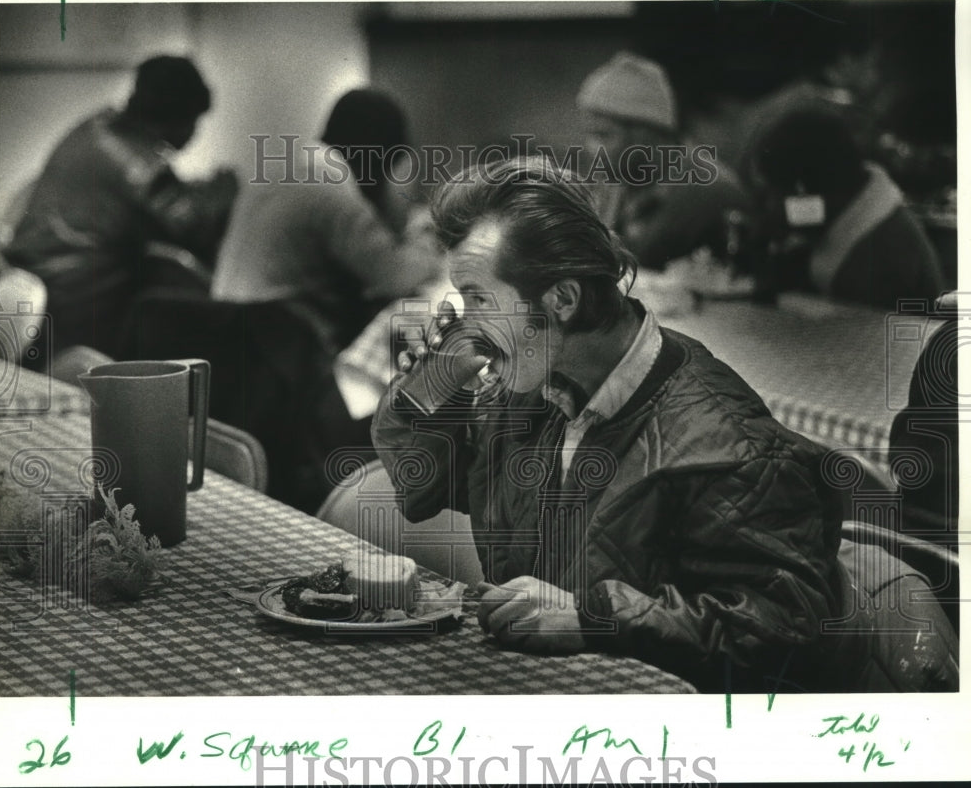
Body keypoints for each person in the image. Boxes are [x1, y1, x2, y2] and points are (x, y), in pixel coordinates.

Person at [373, 157, 894, 693]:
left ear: (564, 300)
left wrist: (593, 620)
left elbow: (787, 631)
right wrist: (430, 388)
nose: (464, 321)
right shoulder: (529, 391)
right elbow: (421, 490)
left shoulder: (730, 443)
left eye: (479, 298)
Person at [2, 55, 238, 356]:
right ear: (180, 117)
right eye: (195, 121)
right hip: (74, 308)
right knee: (195, 322)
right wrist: (225, 192)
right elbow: (194, 228)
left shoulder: (95, 127)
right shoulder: (137, 162)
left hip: (39, 288)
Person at [211, 88, 440, 356]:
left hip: (231, 339)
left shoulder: (290, 167)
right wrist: (424, 235)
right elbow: (396, 276)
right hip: (277, 357)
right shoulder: (330, 188)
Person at [743, 104, 945, 309]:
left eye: (773, 194)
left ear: (802, 190)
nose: (769, 206)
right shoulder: (854, 209)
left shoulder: (876, 252)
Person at [577, 52, 748, 271]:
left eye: (602, 135)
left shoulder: (712, 194)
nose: (590, 150)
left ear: (646, 135)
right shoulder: (618, 182)